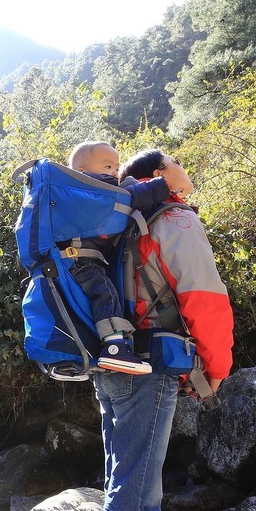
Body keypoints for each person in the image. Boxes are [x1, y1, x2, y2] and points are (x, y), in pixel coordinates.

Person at [90, 148, 234, 511]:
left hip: (112, 363)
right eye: (174, 160)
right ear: (157, 176)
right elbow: (206, 301)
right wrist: (216, 368)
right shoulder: (172, 220)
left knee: (131, 478)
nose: (183, 165)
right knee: (135, 487)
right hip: (146, 367)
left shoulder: (116, 227)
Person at [61, 141, 171, 374]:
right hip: (81, 262)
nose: (114, 173)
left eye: (116, 167)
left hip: (76, 260)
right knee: (105, 295)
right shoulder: (92, 191)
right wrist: (163, 186)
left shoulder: (75, 196)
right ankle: (114, 347)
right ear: (82, 173)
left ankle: (112, 346)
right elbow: (130, 196)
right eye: (108, 166)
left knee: (101, 298)